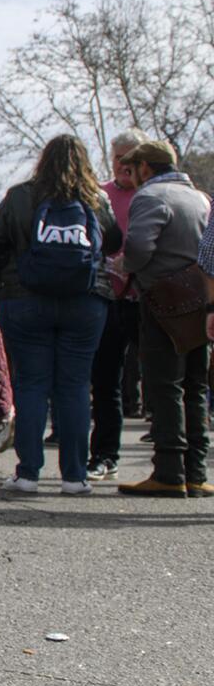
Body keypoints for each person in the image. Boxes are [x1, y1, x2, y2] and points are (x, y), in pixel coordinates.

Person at [0, 136, 120, 494]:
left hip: (25, 301)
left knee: (31, 385)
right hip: (86, 302)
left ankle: (28, 474)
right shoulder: (95, 199)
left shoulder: (20, 196)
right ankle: (75, 476)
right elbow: (115, 244)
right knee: (74, 387)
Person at [117, 140, 210, 496]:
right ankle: (196, 473)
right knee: (195, 385)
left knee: (165, 385)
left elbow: (139, 249)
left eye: (134, 168)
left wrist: (126, 267)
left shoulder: (151, 197)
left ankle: (169, 472)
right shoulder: (199, 198)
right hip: (200, 300)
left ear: (146, 168)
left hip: (163, 301)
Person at [89, 131, 151, 481]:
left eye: (132, 159)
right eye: (119, 159)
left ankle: (171, 457)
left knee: (161, 379)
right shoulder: (100, 194)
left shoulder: (153, 194)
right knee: (106, 380)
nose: (124, 167)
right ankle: (105, 455)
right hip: (108, 298)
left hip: (147, 298)